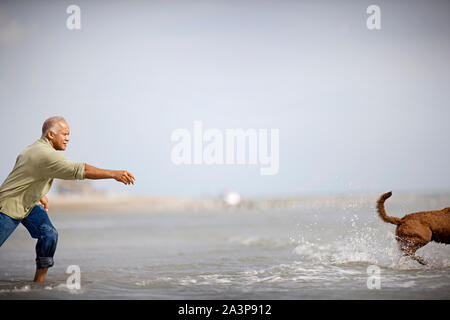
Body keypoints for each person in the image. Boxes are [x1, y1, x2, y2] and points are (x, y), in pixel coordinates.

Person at [0, 116, 136, 282]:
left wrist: (39, 194)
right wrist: (114, 174)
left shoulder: (31, 149)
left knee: (49, 235)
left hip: (29, 203)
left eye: (68, 134)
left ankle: (38, 284)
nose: (68, 138)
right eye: (64, 134)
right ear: (51, 135)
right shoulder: (45, 154)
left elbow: (27, 175)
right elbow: (79, 170)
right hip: (8, 206)